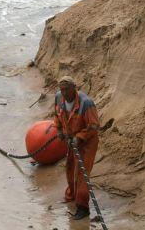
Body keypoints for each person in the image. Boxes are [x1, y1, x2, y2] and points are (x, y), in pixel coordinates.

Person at [54, 75, 100, 220]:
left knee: (81, 173)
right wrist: (60, 130)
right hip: (71, 140)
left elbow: (93, 126)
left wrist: (79, 137)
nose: (64, 93)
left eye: (67, 90)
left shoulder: (86, 103)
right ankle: (72, 196)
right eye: (62, 90)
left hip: (87, 143)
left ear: (74, 88)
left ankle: (82, 208)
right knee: (69, 168)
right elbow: (57, 115)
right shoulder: (59, 98)